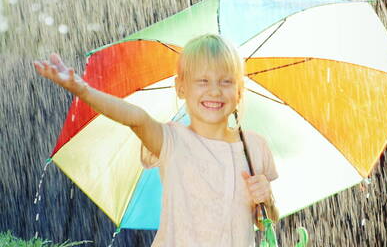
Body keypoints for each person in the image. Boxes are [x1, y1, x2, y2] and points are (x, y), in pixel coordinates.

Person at [33, 34, 279, 246]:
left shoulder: (255, 147)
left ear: (239, 90)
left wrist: (266, 198)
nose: (215, 90)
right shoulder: (172, 140)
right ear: (181, 87)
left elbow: (266, 218)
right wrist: (82, 90)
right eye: (202, 81)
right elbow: (136, 119)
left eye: (226, 81)